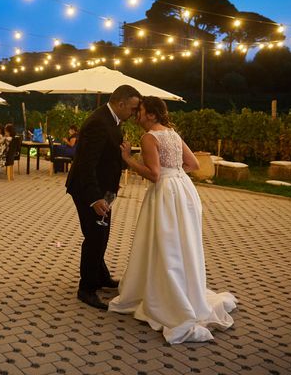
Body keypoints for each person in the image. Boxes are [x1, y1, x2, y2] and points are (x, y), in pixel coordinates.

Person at [109, 96, 236, 343]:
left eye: (141, 112)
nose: (137, 116)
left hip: (166, 194)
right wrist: (175, 174)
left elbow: (154, 175)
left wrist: (128, 160)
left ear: (152, 115)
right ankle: (186, 291)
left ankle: (167, 296)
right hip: (185, 191)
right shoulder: (173, 134)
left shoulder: (149, 137)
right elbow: (193, 164)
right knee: (183, 243)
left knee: (164, 244)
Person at [65, 84, 141, 310]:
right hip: (88, 190)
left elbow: (106, 157)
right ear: (121, 103)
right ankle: (86, 288)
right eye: (133, 108)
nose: (134, 113)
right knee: (96, 236)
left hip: (104, 189)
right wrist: (95, 198)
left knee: (102, 233)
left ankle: (101, 276)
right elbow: (86, 164)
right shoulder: (98, 122)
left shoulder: (113, 120)